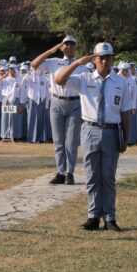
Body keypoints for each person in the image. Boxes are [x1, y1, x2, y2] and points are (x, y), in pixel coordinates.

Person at [55, 42, 131, 231]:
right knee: (92, 176)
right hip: (89, 129)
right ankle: (93, 216)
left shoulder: (121, 82)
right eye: (101, 58)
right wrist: (78, 62)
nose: (105, 61)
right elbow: (59, 80)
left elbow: (126, 112)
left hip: (112, 131)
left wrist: (125, 138)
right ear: (94, 59)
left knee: (108, 177)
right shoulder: (84, 78)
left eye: (108, 58)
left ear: (113, 60)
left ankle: (110, 218)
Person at [31, 36, 86, 185]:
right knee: (58, 140)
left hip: (75, 103)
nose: (68, 47)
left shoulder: (81, 65)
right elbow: (34, 64)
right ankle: (60, 171)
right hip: (56, 102)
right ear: (61, 47)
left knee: (71, 141)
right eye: (65, 44)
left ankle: (70, 172)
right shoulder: (54, 62)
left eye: (72, 44)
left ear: (76, 48)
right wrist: (50, 50)